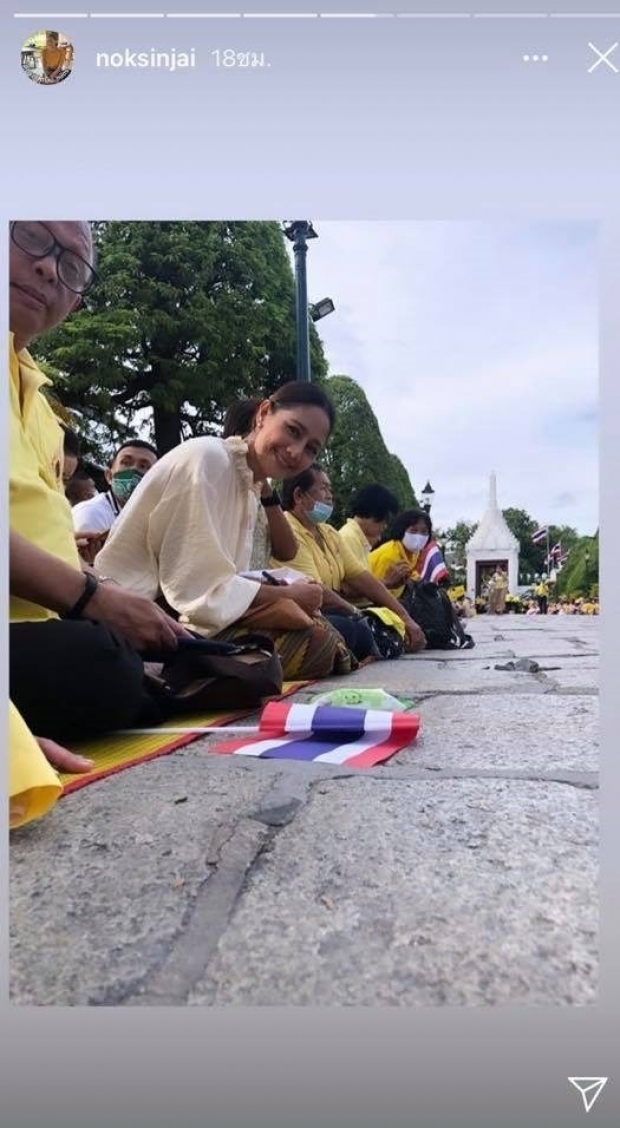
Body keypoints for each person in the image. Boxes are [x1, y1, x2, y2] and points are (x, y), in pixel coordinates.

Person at [9, 218, 189, 752]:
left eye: (71, 266)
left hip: (45, 622)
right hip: (55, 627)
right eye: (32, 238)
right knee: (100, 661)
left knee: (140, 656)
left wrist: (98, 591)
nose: (46, 268)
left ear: (77, 304)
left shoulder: (40, 405)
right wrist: (92, 596)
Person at [96, 382, 354, 679]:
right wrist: (289, 595)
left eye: (310, 448)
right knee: (320, 646)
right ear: (263, 413)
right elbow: (197, 590)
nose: (296, 452)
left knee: (332, 636)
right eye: (293, 431)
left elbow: (223, 580)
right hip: (135, 618)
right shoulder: (209, 458)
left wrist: (288, 591)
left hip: (182, 613)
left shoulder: (249, 487)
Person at [272, 465, 425, 656]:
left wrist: (405, 617)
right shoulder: (288, 530)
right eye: (323, 488)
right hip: (308, 614)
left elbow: (363, 578)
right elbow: (317, 592)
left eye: (330, 489)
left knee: (382, 625)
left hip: (337, 613)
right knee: (357, 632)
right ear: (299, 496)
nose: (330, 496)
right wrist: (357, 613)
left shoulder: (328, 533)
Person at [222, 399, 297, 566]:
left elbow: (288, 551)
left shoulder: (260, 494)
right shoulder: (218, 477)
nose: (294, 451)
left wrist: (268, 495)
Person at [72, 438, 158, 537]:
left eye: (143, 466)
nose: (134, 470)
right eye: (126, 463)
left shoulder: (155, 519)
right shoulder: (91, 515)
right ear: (109, 476)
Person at [368, 509, 449, 597]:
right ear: (401, 531)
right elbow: (376, 591)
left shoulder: (412, 552)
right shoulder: (389, 556)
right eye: (413, 531)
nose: (419, 536)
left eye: (424, 532)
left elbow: (411, 573)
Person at [338, 483, 400, 565]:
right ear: (374, 513)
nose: (385, 527)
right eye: (385, 520)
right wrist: (389, 578)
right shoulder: (349, 539)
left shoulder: (358, 540)